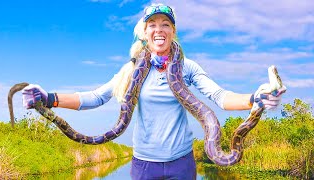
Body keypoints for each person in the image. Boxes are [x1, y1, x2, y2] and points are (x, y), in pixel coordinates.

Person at [22, 3, 286, 180]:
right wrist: (50, 98)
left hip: (182, 163)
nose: (159, 29)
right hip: (144, 165)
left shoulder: (187, 66)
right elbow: (94, 97)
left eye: (165, 24)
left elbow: (220, 97)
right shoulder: (131, 69)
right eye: (153, 25)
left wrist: (255, 99)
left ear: (173, 32)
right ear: (145, 33)